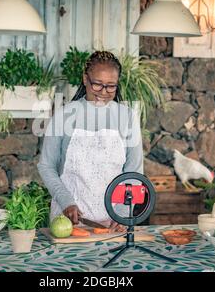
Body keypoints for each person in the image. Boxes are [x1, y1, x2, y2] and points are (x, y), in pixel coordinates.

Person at [37, 51, 143, 232]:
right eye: (97, 84)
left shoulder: (127, 117)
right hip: (68, 221)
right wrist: (66, 201)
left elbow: (134, 172)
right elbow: (46, 166)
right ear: (85, 79)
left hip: (114, 223)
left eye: (111, 86)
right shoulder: (64, 115)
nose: (103, 92)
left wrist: (123, 212)